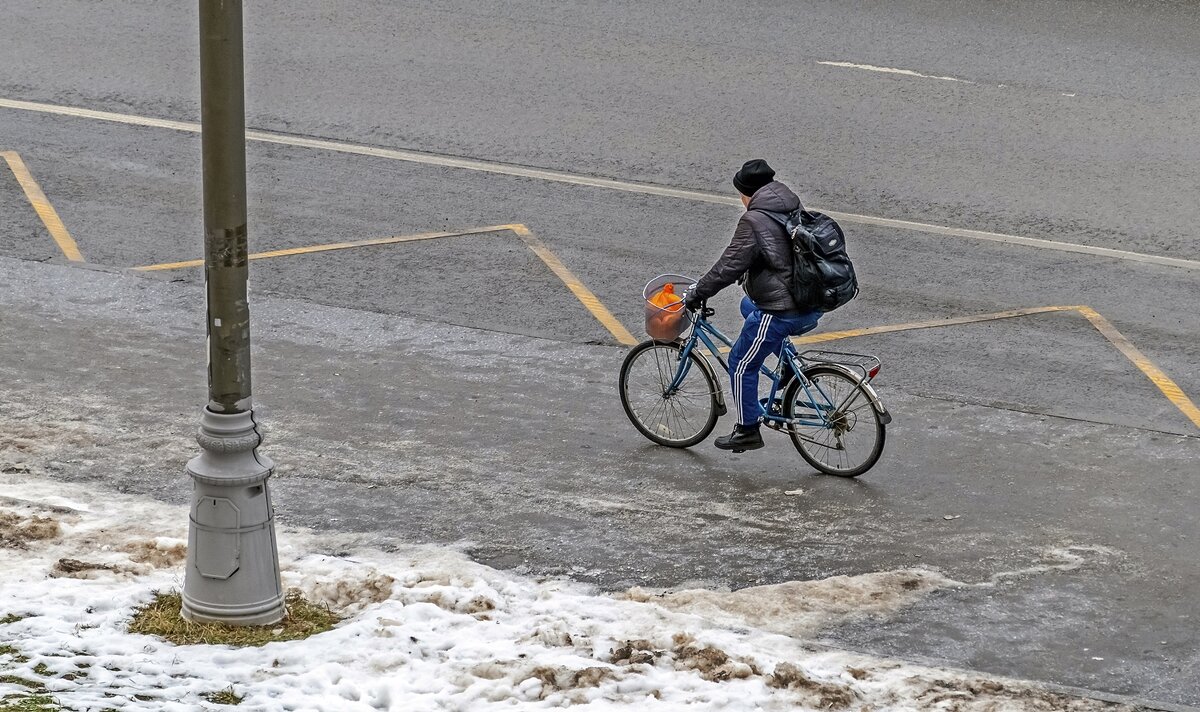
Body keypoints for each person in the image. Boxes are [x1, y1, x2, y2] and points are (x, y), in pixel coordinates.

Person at [683, 159, 821, 452]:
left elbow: (728, 266)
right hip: (811, 301)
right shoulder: (787, 204)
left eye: (740, 194)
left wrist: (698, 291)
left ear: (747, 192)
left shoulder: (753, 220)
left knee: (741, 363)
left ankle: (747, 430)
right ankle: (786, 366)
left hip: (784, 310)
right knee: (748, 306)